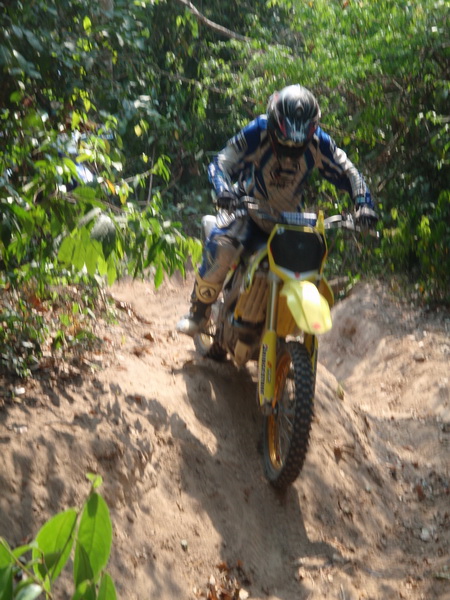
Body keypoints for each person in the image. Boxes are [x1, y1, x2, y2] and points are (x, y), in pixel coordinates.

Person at [176, 84, 377, 337]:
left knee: (312, 264)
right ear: (274, 122)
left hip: (289, 221)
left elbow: (349, 171)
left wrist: (364, 204)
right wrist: (223, 190)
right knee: (223, 247)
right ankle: (199, 310)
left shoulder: (319, 142)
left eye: (299, 142)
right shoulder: (257, 131)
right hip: (248, 208)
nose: (292, 147)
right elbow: (222, 161)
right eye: (286, 140)